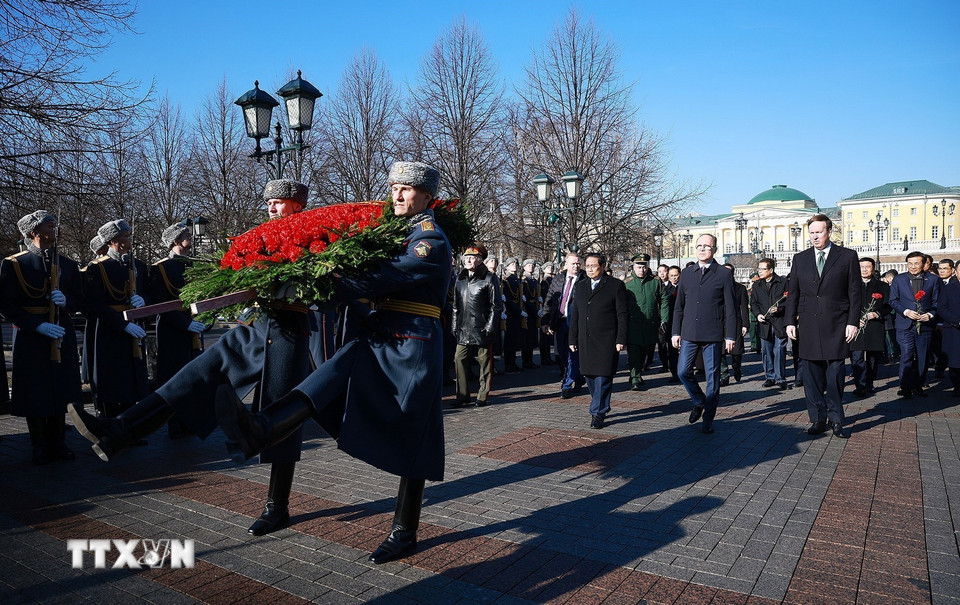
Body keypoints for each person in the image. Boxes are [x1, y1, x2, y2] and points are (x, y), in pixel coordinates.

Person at [73, 179, 317, 540]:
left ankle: (276, 506)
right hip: (255, 325)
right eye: (268, 202)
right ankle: (120, 430)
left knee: (277, 416)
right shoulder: (260, 235)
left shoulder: (315, 233)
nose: (271, 208)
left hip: (289, 331)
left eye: (278, 202)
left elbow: (326, 282)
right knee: (192, 376)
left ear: (297, 204)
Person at [0, 210, 84, 463]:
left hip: (60, 330)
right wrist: (36, 326)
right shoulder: (15, 264)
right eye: (49, 226)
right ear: (33, 232)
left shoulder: (67, 264)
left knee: (60, 386)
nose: (54, 230)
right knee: (35, 389)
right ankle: (38, 445)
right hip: (31, 335)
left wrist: (67, 302)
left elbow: (81, 298)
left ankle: (59, 442)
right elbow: (7, 305)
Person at [785, 214, 861, 438]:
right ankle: (817, 419)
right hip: (808, 323)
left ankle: (836, 419)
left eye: (819, 232)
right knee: (810, 375)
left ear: (829, 231)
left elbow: (855, 293)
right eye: (811, 232)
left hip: (837, 323)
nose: (815, 236)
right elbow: (793, 293)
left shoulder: (847, 256)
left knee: (835, 374)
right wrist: (789, 321)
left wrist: (853, 322)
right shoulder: (800, 258)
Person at [84, 219, 150, 419]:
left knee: (133, 378)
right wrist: (122, 325)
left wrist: (144, 300)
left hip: (135, 326)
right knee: (113, 380)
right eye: (125, 236)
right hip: (110, 330)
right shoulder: (98, 267)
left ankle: (130, 423)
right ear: (113, 241)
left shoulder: (138, 265)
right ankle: (111, 422)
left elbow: (150, 292)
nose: (129, 239)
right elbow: (94, 304)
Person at [671, 234, 737, 434]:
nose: (702, 249)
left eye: (707, 246)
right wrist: (675, 332)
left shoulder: (723, 274)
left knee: (713, 379)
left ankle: (708, 419)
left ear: (714, 249)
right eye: (699, 245)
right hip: (689, 332)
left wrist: (730, 335)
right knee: (682, 372)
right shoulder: (687, 273)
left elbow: (731, 307)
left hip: (713, 334)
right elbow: (679, 306)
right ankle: (699, 400)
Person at [148, 222, 206, 438]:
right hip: (172, 328)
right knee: (173, 375)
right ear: (175, 241)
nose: (190, 237)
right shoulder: (160, 268)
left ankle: (190, 421)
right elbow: (160, 303)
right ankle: (174, 424)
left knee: (194, 375)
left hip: (194, 324)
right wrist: (184, 324)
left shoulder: (196, 264)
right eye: (186, 235)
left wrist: (205, 319)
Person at [568, 253, 627, 429]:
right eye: (587, 266)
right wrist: (572, 338)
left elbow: (622, 314)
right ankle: (599, 404)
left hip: (606, 340)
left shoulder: (615, 285)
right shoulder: (581, 286)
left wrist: (621, 338)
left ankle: (598, 412)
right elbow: (575, 314)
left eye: (593, 266)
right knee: (590, 375)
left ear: (602, 266)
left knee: (603, 375)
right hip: (585, 339)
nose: (589, 269)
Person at [451, 244, 502, 407]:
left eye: (472, 258)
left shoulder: (489, 278)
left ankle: (482, 395)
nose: (468, 260)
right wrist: (454, 325)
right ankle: (462, 395)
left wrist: (489, 327)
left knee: (484, 362)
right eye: (466, 257)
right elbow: (455, 306)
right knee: (459, 359)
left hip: (481, 328)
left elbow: (496, 305)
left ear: (480, 260)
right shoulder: (460, 279)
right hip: (463, 328)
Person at [888, 250, 940, 399]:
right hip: (905, 325)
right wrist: (905, 311)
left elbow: (937, 302)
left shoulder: (933, 280)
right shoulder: (899, 279)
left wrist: (930, 315)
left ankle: (918, 386)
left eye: (916, 263)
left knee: (923, 357)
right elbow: (893, 300)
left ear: (923, 264)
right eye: (910, 263)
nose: (913, 266)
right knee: (907, 354)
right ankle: (904, 387)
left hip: (925, 326)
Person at [542, 252, 586, 398]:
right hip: (560, 322)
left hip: (576, 322)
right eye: (573, 263)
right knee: (561, 353)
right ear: (566, 264)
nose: (576, 266)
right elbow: (549, 301)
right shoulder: (558, 279)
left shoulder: (585, 279)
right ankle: (578, 377)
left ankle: (567, 384)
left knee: (573, 353)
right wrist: (545, 321)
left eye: (578, 263)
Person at [624, 253, 667, 390]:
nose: (642, 270)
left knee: (645, 351)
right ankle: (635, 378)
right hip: (633, 324)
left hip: (650, 324)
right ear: (633, 267)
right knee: (634, 352)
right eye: (639, 267)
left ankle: (638, 373)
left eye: (644, 267)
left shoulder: (655, 281)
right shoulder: (627, 283)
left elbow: (664, 300)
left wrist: (664, 319)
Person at [849, 257, 890, 396]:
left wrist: (876, 314)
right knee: (856, 357)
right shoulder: (851, 285)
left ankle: (870, 382)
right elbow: (844, 305)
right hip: (856, 327)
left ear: (873, 268)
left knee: (873, 358)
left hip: (874, 325)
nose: (864, 269)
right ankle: (860, 385)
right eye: (861, 267)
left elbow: (888, 305)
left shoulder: (882, 286)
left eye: (868, 267)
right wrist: (853, 320)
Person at [750, 258, 789, 389]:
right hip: (764, 323)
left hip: (779, 322)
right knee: (766, 351)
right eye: (759, 269)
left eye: (763, 269)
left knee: (779, 350)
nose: (759, 271)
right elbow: (753, 303)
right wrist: (758, 314)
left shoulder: (783, 282)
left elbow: (790, 301)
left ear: (771, 270)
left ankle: (780, 378)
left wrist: (780, 308)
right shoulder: (757, 285)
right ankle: (770, 377)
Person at [719, 263, 749, 387]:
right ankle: (724, 375)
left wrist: (745, 324)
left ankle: (737, 368)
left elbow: (744, 308)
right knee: (720, 351)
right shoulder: (717, 287)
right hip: (719, 322)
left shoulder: (740, 288)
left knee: (736, 351)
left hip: (735, 322)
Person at [937, 271, 960, 397]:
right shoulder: (948, 288)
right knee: (955, 361)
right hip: (953, 329)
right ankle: (957, 387)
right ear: (956, 272)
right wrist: (957, 321)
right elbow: (942, 308)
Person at [500, 257, 525, 372]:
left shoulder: (516, 279)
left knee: (515, 339)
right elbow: (509, 300)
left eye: (515, 263)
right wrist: (519, 311)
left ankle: (513, 362)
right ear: (507, 267)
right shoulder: (506, 280)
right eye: (511, 264)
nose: (514, 265)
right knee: (509, 340)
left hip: (517, 312)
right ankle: (509, 364)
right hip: (510, 312)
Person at [520, 259, 541, 369]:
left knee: (532, 337)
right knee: (526, 338)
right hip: (528, 310)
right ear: (524, 267)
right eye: (528, 265)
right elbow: (526, 299)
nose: (531, 267)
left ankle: (530, 360)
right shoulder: (524, 280)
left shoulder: (533, 280)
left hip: (533, 310)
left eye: (532, 265)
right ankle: (526, 361)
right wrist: (534, 311)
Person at [662, 266, 681, 382]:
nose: (674, 278)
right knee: (672, 349)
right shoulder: (664, 289)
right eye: (672, 276)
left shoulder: (684, 287)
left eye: (676, 275)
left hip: (684, 321)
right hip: (671, 323)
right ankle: (675, 373)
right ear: (668, 276)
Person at [881, 269, 901, 363]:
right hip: (893, 317)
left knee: (889, 337)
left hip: (889, 316)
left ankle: (891, 354)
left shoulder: (891, 288)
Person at [539, 262, 556, 365]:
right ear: (544, 269)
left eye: (551, 267)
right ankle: (544, 357)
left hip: (551, 309)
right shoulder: (544, 282)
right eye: (548, 267)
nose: (550, 269)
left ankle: (548, 357)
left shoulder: (552, 280)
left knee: (549, 335)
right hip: (546, 309)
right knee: (544, 335)